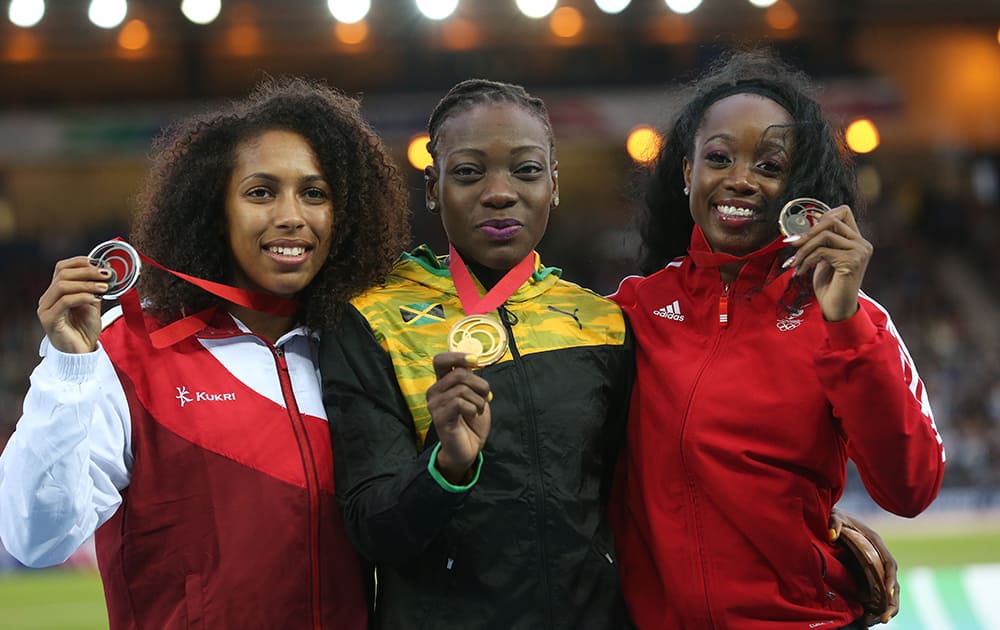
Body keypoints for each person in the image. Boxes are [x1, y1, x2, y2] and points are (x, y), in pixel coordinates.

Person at [0, 77, 410, 629]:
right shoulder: (127, 354)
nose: (292, 215)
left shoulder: (363, 350)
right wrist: (70, 368)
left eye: (315, 193)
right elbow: (35, 537)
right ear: (213, 210)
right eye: (261, 192)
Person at [609, 49, 946, 629]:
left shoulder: (850, 319)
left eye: (769, 166)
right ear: (688, 171)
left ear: (797, 187)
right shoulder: (632, 310)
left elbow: (910, 488)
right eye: (718, 158)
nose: (740, 178)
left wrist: (844, 325)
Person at [320, 79, 634, 629]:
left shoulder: (602, 322)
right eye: (468, 172)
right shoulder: (374, 320)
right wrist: (445, 468)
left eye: (526, 170)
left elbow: (635, 495)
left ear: (554, 185)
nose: (499, 192)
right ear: (432, 188)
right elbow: (370, 529)